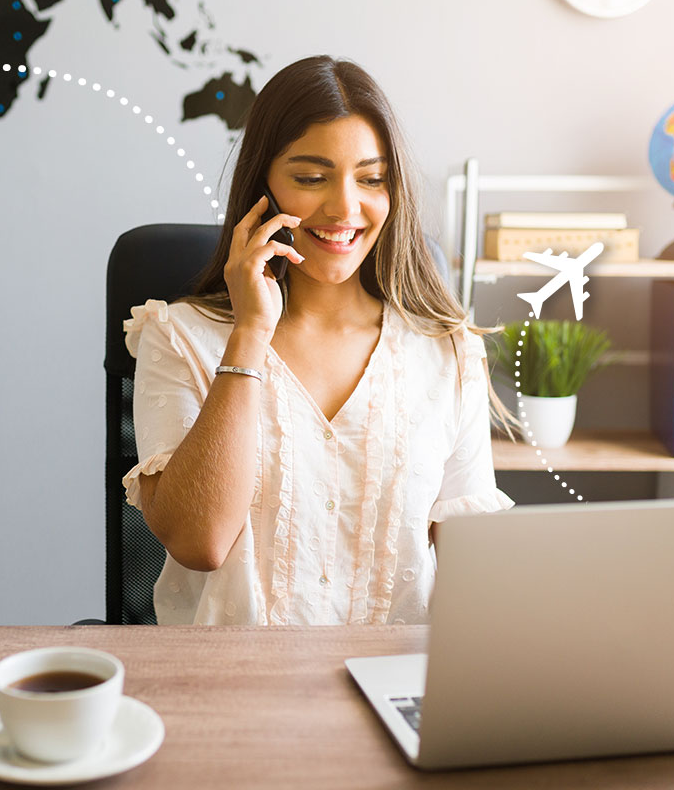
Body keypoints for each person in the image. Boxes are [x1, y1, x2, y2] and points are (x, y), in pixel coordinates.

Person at [121, 55, 515, 625]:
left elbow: (476, 573)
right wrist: (251, 333)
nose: (345, 208)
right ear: (263, 189)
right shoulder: (178, 337)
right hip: (228, 691)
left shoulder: (447, 352)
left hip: (391, 687)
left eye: (372, 178)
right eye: (311, 178)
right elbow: (198, 543)